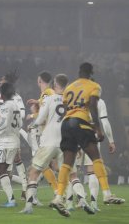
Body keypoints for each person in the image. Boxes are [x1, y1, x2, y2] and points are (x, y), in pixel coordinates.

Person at [50, 62, 125, 218]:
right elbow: (92, 105)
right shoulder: (94, 85)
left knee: (67, 163)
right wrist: (97, 128)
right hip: (81, 123)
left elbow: (64, 107)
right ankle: (107, 195)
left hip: (66, 124)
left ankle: (58, 197)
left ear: (79, 72)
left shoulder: (69, 87)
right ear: (91, 73)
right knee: (96, 158)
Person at [20, 74, 94, 214]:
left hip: (48, 141)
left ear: (54, 84)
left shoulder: (50, 98)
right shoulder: (72, 102)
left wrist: (32, 125)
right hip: (65, 143)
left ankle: (28, 207)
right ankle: (83, 200)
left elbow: (41, 118)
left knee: (34, 172)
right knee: (73, 175)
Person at [0, 71, 28, 200]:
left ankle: (25, 188)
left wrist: (1, 118)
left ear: (7, 83)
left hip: (9, 133)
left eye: (2, 80)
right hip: (0, 134)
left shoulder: (16, 97)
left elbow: (21, 115)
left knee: (12, 161)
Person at [71, 98, 116, 211]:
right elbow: (104, 122)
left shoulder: (75, 98)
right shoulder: (99, 101)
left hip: (75, 136)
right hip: (91, 137)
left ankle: (76, 200)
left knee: (72, 173)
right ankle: (94, 204)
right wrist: (111, 140)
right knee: (92, 171)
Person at [26, 71, 59, 194]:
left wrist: (32, 116)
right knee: (55, 166)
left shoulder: (46, 94)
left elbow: (44, 115)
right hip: (53, 132)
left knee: (41, 164)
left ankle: (58, 190)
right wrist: (37, 101)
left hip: (47, 134)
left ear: (39, 80)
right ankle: (67, 191)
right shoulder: (49, 93)